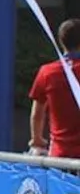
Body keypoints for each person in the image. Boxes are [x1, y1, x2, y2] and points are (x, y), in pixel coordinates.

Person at [29, 19, 80, 159]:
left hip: (60, 155)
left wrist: (37, 139)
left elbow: (37, 114)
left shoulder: (47, 72)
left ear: (61, 41)